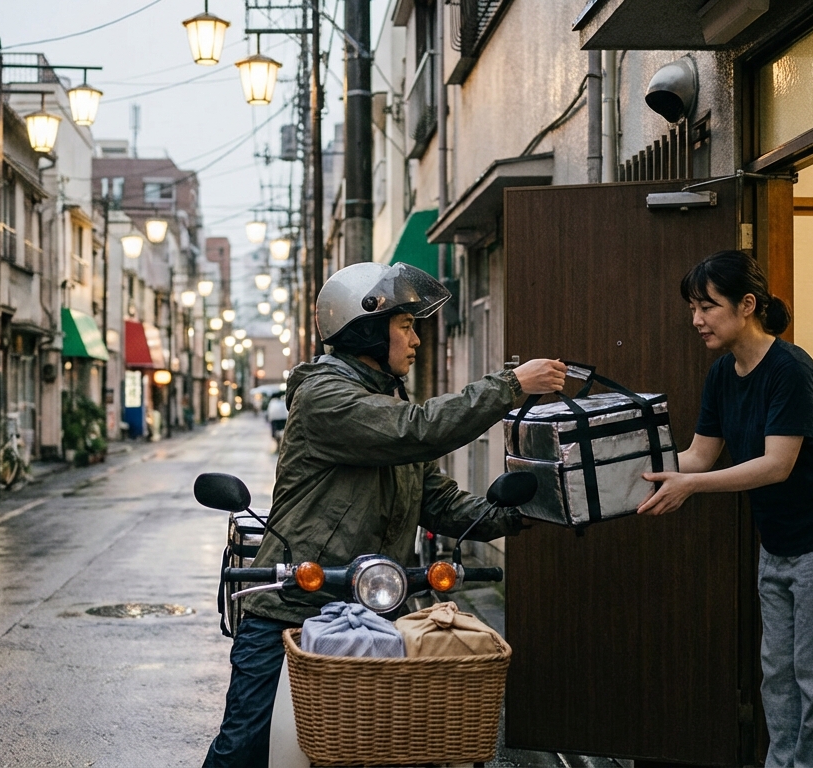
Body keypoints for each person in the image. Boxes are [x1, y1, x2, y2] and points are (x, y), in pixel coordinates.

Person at [203, 262, 567, 768]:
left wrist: (519, 510)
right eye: (405, 326)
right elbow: (414, 431)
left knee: (391, 748)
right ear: (368, 329)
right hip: (293, 608)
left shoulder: (385, 402)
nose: (416, 339)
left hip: (373, 615)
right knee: (244, 747)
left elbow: (436, 499)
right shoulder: (324, 398)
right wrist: (510, 385)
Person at [638, 250, 813, 768]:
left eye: (708, 306)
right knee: (777, 672)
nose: (696, 319)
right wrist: (623, 471)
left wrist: (691, 487)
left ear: (747, 305)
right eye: (693, 307)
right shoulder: (724, 372)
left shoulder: (789, 369)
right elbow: (699, 455)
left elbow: (777, 465)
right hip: (774, 544)